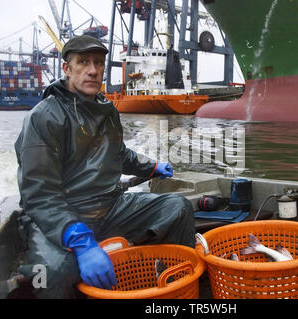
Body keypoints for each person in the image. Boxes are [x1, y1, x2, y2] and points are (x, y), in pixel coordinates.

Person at [14, 35, 195, 298]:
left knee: (177, 208)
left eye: (98, 63)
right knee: (52, 271)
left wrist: (152, 166)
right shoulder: (43, 117)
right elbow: (39, 194)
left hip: (109, 207)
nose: (92, 70)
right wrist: (80, 239)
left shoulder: (107, 110)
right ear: (66, 68)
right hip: (61, 214)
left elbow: (118, 154)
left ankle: (170, 288)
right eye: (83, 62)